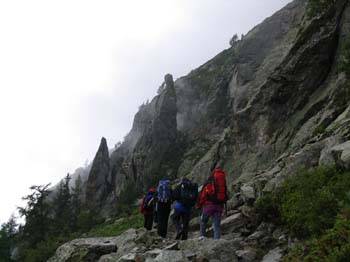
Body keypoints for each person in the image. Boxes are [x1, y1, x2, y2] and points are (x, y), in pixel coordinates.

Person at [198, 164, 228, 240]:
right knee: (216, 225)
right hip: (219, 205)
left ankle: (202, 237)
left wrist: (199, 204)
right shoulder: (223, 178)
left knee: (203, 221)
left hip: (209, 205)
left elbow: (204, 194)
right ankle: (216, 240)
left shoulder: (211, 179)